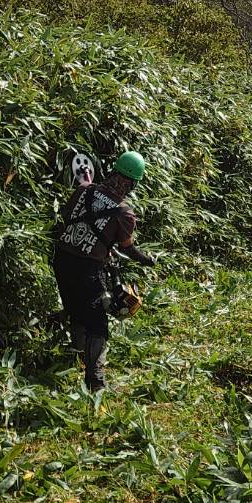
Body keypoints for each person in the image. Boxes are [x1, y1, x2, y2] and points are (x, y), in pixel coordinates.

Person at [51, 150, 154, 392]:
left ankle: (76, 356)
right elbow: (127, 249)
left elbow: (67, 216)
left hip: (62, 260)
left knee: (76, 311)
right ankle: (95, 382)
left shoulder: (83, 190)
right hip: (88, 269)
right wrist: (147, 260)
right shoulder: (124, 213)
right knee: (97, 324)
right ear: (132, 183)